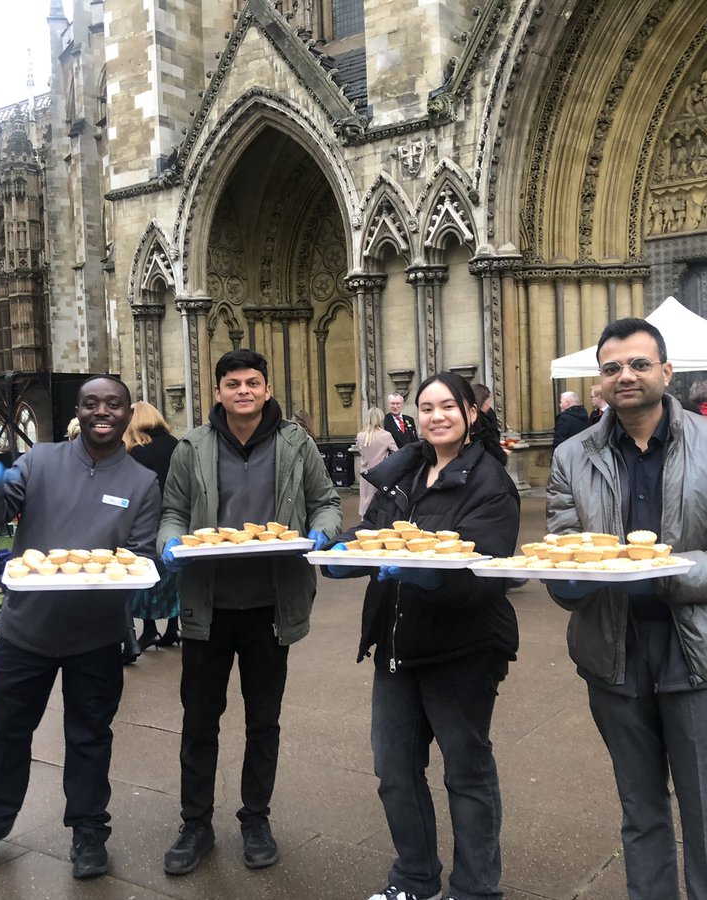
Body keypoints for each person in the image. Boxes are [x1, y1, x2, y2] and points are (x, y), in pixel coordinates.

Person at [547, 318, 707, 900]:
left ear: (666, 372)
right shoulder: (572, 456)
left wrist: (671, 573)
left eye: (638, 364)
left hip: (697, 648)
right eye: (611, 368)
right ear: (599, 381)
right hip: (612, 650)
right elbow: (561, 547)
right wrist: (569, 579)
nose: (625, 376)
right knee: (640, 807)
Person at [326, 372, 520, 900]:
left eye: (448, 407)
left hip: (463, 646)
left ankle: (476, 889)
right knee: (394, 770)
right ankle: (414, 879)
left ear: (470, 414)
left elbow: (492, 564)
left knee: (466, 771)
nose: (436, 417)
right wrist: (340, 550)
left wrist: (434, 575)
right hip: (396, 643)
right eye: (426, 408)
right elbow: (371, 531)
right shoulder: (404, 473)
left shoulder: (489, 480)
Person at [0, 376, 161, 881]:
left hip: (95, 636)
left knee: (91, 738)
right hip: (25, 631)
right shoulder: (39, 461)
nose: (102, 412)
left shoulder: (141, 482)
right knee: (9, 733)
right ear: (78, 410)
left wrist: (152, 566)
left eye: (113, 404)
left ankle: (89, 832)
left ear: (126, 413)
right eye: (92, 403)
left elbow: (139, 555)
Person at [157, 349, 342, 876]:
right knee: (199, 720)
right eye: (233, 383)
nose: (243, 390)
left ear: (266, 389)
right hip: (206, 608)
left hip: (271, 606)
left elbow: (325, 501)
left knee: (264, 721)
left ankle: (255, 818)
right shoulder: (192, 446)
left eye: (253, 382)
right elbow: (172, 510)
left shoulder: (295, 442)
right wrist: (169, 543)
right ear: (217, 391)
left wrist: (322, 534)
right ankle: (195, 824)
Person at [125, 401, 182, 648]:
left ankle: (149, 629)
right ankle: (173, 628)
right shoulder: (176, 445)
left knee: (148, 575)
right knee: (173, 574)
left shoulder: (137, 451)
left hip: (149, 520)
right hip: (177, 518)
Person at [356, 406, 399, 516]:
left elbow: (361, 452)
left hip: (365, 473)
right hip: (380, 474)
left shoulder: (360, 436)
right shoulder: (386, 436)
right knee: (379, 502)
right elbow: (397, 453)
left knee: (365, 501)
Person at [471, 382, 508, 467]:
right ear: (482, 401)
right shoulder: (482, 422)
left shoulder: (483, 416)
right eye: (488, 401)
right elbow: (491, 447)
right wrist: (502, 454)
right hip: (484, 466)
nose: (489, 404)